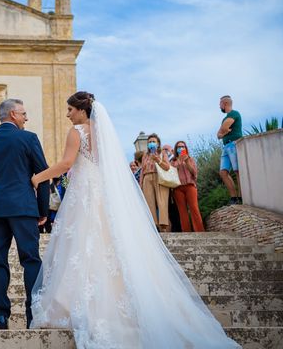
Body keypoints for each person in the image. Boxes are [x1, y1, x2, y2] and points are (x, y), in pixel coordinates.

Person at [29, 91, 239, 348]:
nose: (67, 114)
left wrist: (38, 177)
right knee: (108, 244)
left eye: (70, 109)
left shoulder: (78, 132)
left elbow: (65, 164)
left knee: (84, 244)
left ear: (82, 110)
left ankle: (83, 304)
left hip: (84, 193)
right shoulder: (103, 132)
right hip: (104, 194)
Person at [0, 98, 50, 330]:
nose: (27, 118)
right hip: (23, 208)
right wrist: (42, 210)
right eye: (24, 114)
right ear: (13, 115)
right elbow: (43, 174)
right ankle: (32, 314)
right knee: (31, 260)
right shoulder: (29, 139)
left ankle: (1, 315)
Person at [139, 133, 171, 232]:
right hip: (147, 178)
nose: (151, 143)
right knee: (149, 203)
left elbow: (167, 167)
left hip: (160, 177)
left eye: (153, 141)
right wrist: (141, 184)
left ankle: (164, 227)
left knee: (162, 202)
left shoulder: (162, 153)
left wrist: (158, 160)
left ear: (158, 143)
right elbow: (142, 170)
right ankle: (154, 226)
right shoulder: (145, 155)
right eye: (149, 142)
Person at [172, 141, 205, 233]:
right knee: (182, 211)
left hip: (190, 186)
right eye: (179, 147)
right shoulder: (173, 161)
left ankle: (200, 231)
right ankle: (186, 232)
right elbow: (172, 173)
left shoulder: (190, 159)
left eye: (183, 146)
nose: (181, 148)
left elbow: (194, 173)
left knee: (194, 208)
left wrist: (186, 162)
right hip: (178, 188)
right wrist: (180, 162)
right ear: (176, 149)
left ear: (186, 148)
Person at [217, 95, 243, 205]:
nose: (219, 106)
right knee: (223, 172)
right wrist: (224, 132)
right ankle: (234, 198)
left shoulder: (234, 114)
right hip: (226, 147)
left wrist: (224, 131)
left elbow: (222, 129)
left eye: (220, 104)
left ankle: (242, 197)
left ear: (225, 103)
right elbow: (218, 135)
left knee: (238, 171)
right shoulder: (225, 118)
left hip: (233, 144)